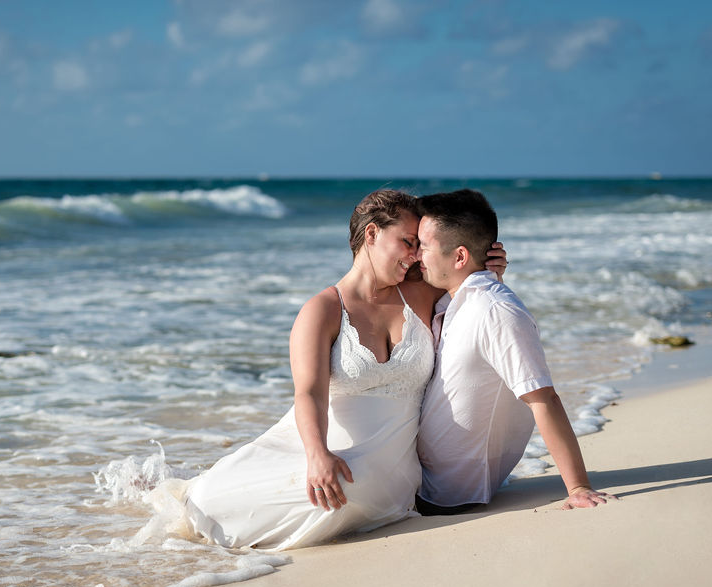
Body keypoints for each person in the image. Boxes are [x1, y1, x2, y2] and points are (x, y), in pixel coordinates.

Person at [158, 190, 507, 550]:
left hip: (397, 470)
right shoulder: (322, 309)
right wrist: (318, 455)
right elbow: (308, 392)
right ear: (371, 234)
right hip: (326, 447)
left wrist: (487, 267)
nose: (415, 255)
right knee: (210, 505)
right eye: (407, 242)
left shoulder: (421, 292)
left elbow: (473, 300)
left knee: (358, 487)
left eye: (419, 244)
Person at [413, 189, 613, 514]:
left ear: (460, 257)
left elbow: (543, 398)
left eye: (423, 246)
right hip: (423, 484)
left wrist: (578, 487)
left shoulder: (497, 312)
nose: (415, 255)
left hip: (446, 496)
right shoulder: (456, 301)